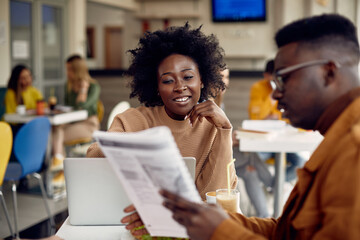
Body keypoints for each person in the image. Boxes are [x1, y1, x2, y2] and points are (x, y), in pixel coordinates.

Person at [144, 14, 360, 240]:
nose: (275, 93)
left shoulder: (354, 150)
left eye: (283, 78)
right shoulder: (338, 140)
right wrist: (200, 217)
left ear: (329, 72)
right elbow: (286, 233)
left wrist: (220, 232)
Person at [87, 23, 237, 200]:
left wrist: (225, 130)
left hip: (194, 222)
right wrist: (140, 145)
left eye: (188, 77)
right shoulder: (132, 120)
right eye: (167, 81)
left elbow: (213, 195)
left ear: (202, 80)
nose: (180, 87)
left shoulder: (213, 127)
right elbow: (93, 156)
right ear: (156, 87)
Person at [234, 60, 305, 218]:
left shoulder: (286, 87)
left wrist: (273, 117)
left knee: (300, 162)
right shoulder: (259, 88)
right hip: (264, 145)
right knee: (255, 159)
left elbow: (289, 118)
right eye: (274, 77)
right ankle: (277, 188)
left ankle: (275, 187)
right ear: (266, 75)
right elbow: (255, 118)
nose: (277, 81)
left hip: (281, 143)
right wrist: (270, 99)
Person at [51, 55, 100, 184]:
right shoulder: (69, 86)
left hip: (89, 125)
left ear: (78, 70)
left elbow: (82, 106)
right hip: (74, 123)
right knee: (55, 130)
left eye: (70, 70)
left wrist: (83, 89)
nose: (67, 73)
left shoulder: (93, 87)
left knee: (55, 137)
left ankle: (60, 168)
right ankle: (60, 165)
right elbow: (70, 107)